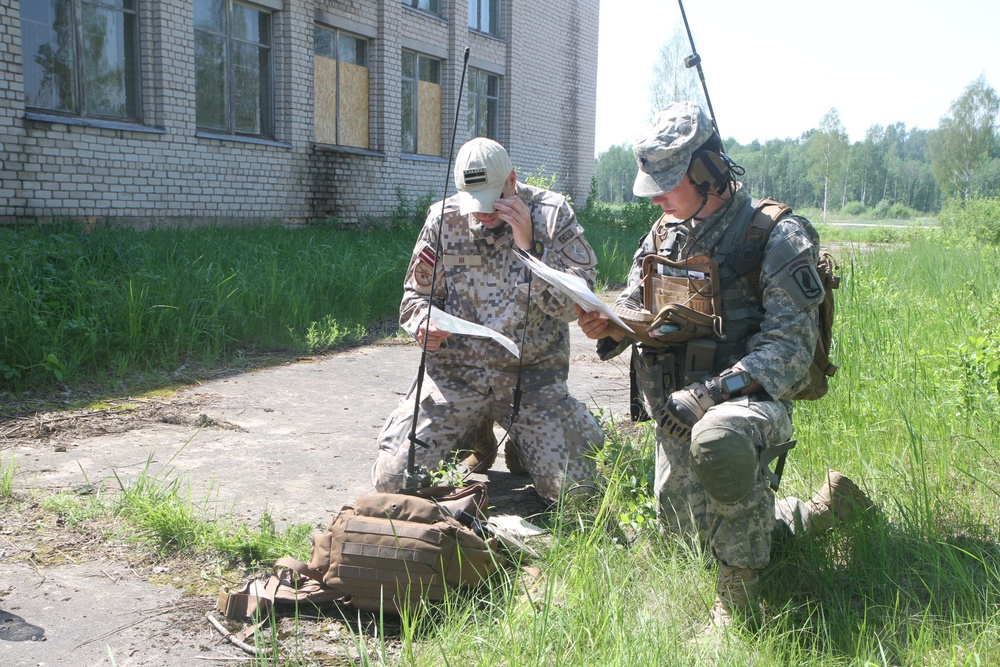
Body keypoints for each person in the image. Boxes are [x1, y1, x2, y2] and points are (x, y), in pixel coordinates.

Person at [575, 102, 873, 628]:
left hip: (742, 407)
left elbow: (788, 351)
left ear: (707, 172)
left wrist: (706, 395)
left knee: (719, 441)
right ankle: (825, 509)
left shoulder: (777, 236)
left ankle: (736, 605)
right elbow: (634, 302)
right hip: (673, 414)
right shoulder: (665, 232)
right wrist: (611, 325)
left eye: (668, 183)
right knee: (690, 540)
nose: (659, 197)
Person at [373, 137, 604, 502]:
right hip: (457, 378)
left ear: (512, 181)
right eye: (473, 203)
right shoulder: (443, 218)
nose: (482, 214)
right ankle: (475, 433)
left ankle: (529, 440)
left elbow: (573, 308)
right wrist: (422, 323)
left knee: (578, 497)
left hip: (531, 381)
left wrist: (530, 247)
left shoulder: (551, 213)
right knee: (394, 483)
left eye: (491, 201)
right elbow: (415, 298)